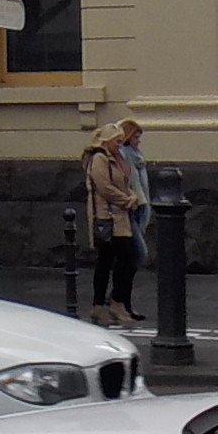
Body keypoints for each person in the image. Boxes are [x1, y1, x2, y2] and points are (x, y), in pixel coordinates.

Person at [83, 122, 144, 328]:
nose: (120, 144)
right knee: (122, 259)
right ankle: (110, 303)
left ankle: (103, 305)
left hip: (120, 218)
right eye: (117, 141)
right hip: (108, 219)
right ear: (107, 141)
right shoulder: (100, 159)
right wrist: (127, 199)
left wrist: (131, 195)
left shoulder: (115, 159)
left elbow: (124, 182)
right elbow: (105, 188)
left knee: (110, 260)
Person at [118, 119, 153, 269]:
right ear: (127, 137)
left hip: (142, 204)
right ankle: (121, 286)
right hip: (132, 206)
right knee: (140, 252)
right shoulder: (123, 155)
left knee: (133, 251)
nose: (139, 141)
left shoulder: (138, 156)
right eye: (135, 137)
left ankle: (123, 286)